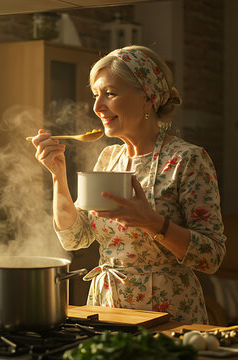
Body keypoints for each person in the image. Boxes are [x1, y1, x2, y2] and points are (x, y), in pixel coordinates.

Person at [31, 45, 226, 324]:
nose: (98, 107)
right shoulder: (108, 158)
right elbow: (76, 238)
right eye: (96, 95)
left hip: (168, 312)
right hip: (107, 308)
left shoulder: (188, 160)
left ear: (148, 98)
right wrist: (57, 175)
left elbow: (212, 256)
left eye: (109, 94)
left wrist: (154, 223)